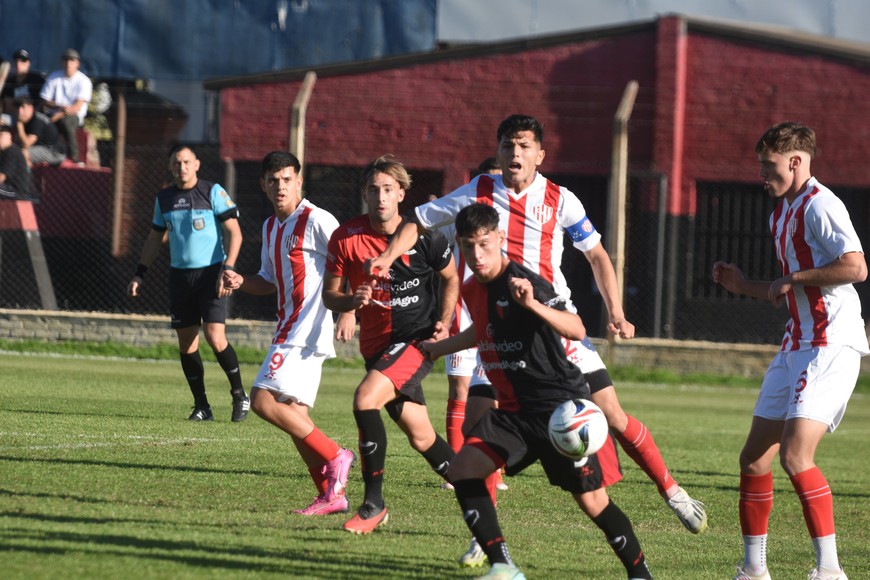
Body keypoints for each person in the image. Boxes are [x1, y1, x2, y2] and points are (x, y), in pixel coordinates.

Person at [366, 114, 708, 537]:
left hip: (551, 324)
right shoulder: (479, 191)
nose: (515, 153)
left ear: (540, 155)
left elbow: (598, 257)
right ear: (499, 151)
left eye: (525, 146)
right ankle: (486, 541)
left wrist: (615, 311)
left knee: (613, 415)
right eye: (509, 145)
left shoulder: (561, 200)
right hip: (497, 330)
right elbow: (417, 219)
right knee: (477, 427)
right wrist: (385, 257)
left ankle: (673, 491)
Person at [421, 203, 653, 580]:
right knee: (464, 469)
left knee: (593, 502)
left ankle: (640, 574)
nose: (476, 255)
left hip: (559, 410)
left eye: (483, 244)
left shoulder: (523, 282)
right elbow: (482, 330)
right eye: (467, 246)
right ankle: (503, 567)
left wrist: (531, 304)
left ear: (499, 239)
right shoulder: (470, 288)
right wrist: (437, 348)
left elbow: (576, 328)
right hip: (513, 414)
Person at [713, 122, 867, 580]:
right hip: (795, 345)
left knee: (795, 456)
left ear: (796, 163)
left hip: (829, 344)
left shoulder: (821, 204)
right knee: (754, 458)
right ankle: (754, 569)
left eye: (770, 166)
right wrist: (743, 286)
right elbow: (783, 290)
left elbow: (856, 266)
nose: (763, 175)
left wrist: (795, 279)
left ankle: (830, 571)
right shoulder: (781, 213)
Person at [322, 155, 460, 534]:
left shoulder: (426, 236)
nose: (380, 197)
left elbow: (451, 279)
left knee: (365, 399)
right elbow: (330, 297)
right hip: (376, 349)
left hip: (415, 342)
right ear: (364, 194)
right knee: (421, 435)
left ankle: (373, 504)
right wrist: (352, 303)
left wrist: (444, 324)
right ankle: (471, 484)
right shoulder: (346, 237)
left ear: (401, 193)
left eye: (388, 189)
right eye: (373, 189)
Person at [222, 151, 357, 515]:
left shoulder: (316, 219)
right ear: (263, 185)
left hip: (304, 329)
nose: (280, 186)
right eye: (273, 180)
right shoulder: (270, 227)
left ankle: (337, 454)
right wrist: (241, 281)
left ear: (299, 181)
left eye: (287, 179)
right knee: (295, 415)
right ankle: (332, 495)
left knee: (262, 400)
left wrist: (349, 309)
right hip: (291, 328)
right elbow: (267, 281)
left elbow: (350, 257)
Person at [127, 144, 249, 422]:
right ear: (171, 167)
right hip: (180, 277)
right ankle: (202, 405)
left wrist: (227, 268)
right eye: (176, 163)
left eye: (186, 161)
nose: (181, 167)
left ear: (196, 164)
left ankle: (240, 394)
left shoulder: (212, 191)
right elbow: (154, 238)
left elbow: (236, 234)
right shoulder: (164, 198)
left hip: (211, 275)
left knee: (215, 337)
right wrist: (139, 274)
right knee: (187, 344)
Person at [39, 48, 92, 164]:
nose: (69, 63)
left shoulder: (84, 81)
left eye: (72, 60)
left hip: (74, 116)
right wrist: (60, 106)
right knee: (39, 121)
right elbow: (44, 100)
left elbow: (77, 107)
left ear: (78, 63)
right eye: (66, 60)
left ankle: (75, 158)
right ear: (61, 62)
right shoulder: (54, 77)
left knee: (66, 123)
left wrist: (58, 115)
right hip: (54, 113)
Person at [14, 96, 66, 166]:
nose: (20, 111)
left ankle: (23, 176)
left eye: (23, 107)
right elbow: (17, 141)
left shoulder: (37, 121)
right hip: (42, 147)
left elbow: (26, 144)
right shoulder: (26, 119)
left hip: (55, 152)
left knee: (23, 153)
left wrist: (19, 125)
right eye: (18, 107)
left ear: (31, 108)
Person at [1, 49, 45, 114]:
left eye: (23, 61)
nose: (18, 64)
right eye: (16, 61)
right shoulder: (9, 81)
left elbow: (42, 102)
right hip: (13, 116)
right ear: (13, 63)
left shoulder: (37, 80)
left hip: (35, 116)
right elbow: (8, 105)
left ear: (28, 63)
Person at [0, 124, 30, 199]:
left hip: (17, 192)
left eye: (1, 135)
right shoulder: (4, 152)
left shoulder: (11, 151)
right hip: (8, 188)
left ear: (9, 136)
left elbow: (2, 177)